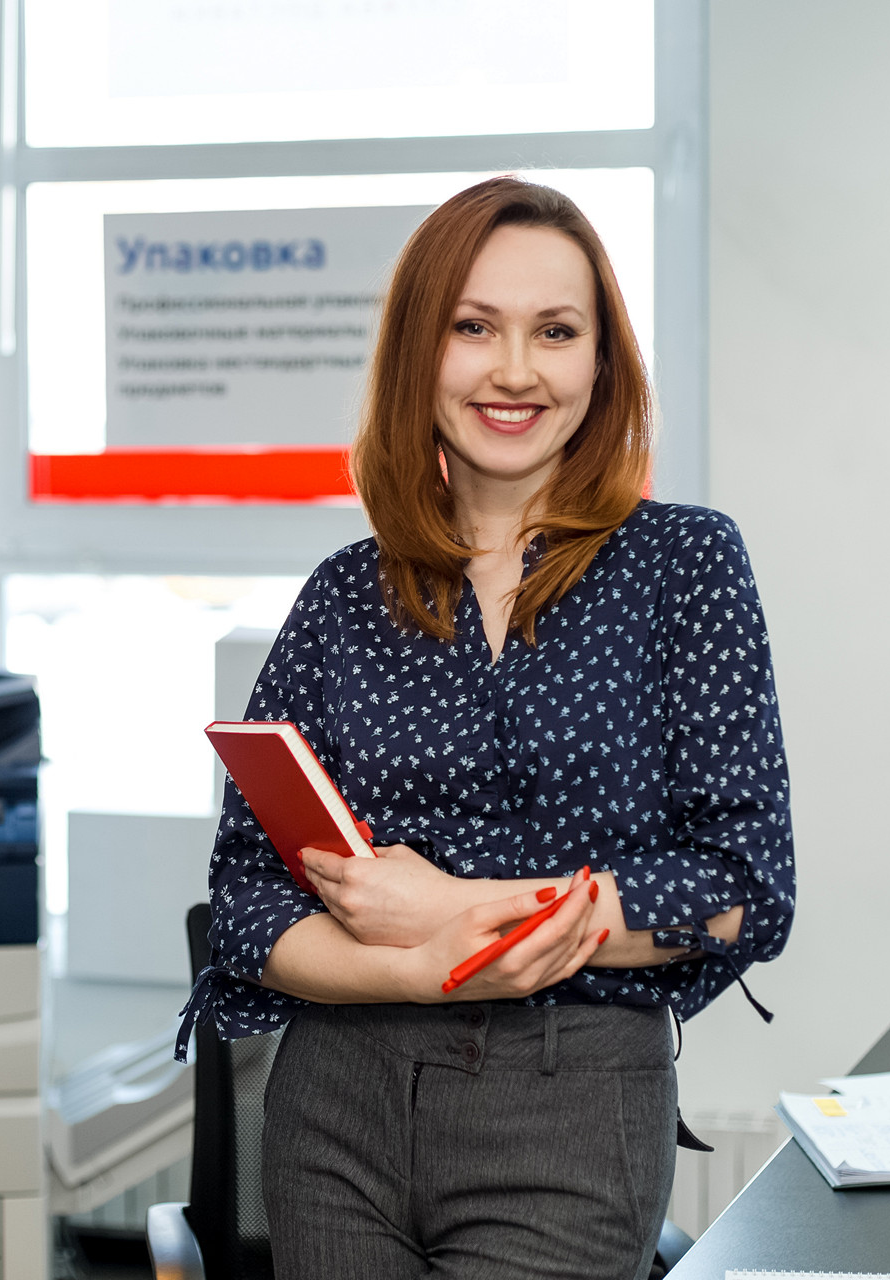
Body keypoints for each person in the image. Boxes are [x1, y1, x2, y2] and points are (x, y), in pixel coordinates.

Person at [179, 176, 796, 1280]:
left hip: (571, 1100)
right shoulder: (338, 597)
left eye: (555, 331)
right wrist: (427, 965)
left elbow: (742, 884)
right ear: (423, 350)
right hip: (336, 1110)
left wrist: (456, 909)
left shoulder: (685, 566)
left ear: (600, 363)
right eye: (475, 327)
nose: (515, 369)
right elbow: (246, 902)